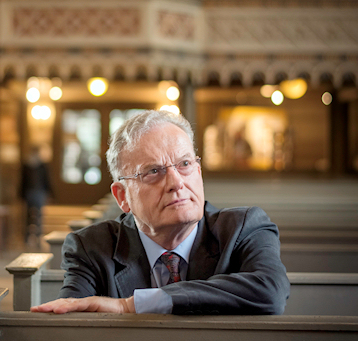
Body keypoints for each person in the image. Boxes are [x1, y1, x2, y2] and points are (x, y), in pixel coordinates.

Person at [31, 110, 290, 315]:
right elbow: (72, 327)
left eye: (185, 164)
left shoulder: (244, 229)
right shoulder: (90, 248)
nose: (177, 182)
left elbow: (271, 292)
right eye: (154, 171)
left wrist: (132, 305)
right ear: (123, 197)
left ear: (198, 173)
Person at [20, 145, 53, 244]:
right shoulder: (26, 166)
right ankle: (27, 237)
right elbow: (23, 181)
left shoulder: (42, 166)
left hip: (39, 192)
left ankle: (38, 236)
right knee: (28, 216)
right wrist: (21, 195)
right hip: (30, 193)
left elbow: (46, 180)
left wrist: (50, 193)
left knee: (39, 215)